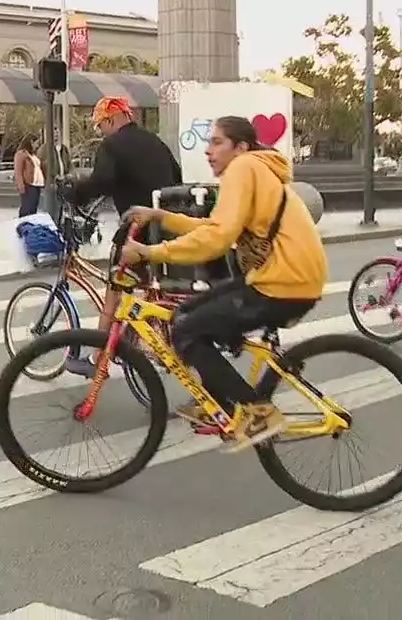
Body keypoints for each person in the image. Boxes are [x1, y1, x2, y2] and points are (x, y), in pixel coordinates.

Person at [118, 115, 328, 451]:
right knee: (185, 314)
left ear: (240, 147)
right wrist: (160, 216)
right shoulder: (252, 169)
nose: (208, 151)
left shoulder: (244, 169)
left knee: (185, 329)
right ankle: (220, 405)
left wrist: (149, 253)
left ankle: (257, 415)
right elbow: (215, 225)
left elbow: (216, 239)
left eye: (217, 142)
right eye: (209, 142)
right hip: (280, 278)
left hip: (285, 283)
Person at [63, 96, 182, 377]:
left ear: (113, 119)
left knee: (114, 291)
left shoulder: (112, 145)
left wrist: (75, 193)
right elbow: (176, 176)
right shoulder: (155, 142)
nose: (101, 131)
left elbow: (102, 181)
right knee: (151, 287)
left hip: (136, 229)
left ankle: (97, 357)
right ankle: (140, 335)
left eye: (101, 125)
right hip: (166, 226)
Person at [13, 136, 45, 217]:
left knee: (33, 207)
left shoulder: (33, 155)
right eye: (36, 143)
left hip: (36, 185)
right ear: (31, 142)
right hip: (28, 184)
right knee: (27, 208)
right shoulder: (21, 154)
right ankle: (23, 224)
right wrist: (21, 186)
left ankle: (30, 226)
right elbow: (18, 172)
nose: (37, 145)